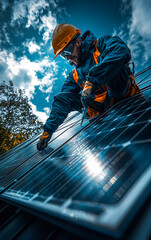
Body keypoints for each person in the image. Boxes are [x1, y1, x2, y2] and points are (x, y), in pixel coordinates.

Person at [37, 23, 140, 151]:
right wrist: (48, 130)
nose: (68, 57)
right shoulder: (74, 76)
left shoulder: (101, 45)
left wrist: (93, 79)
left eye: (68, 51)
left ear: (78, 42)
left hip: (124, 98)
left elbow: (121, 50)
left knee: (113, 56)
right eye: (64, 55)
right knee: (64, 97)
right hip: (102, 115)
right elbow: (62, 102)